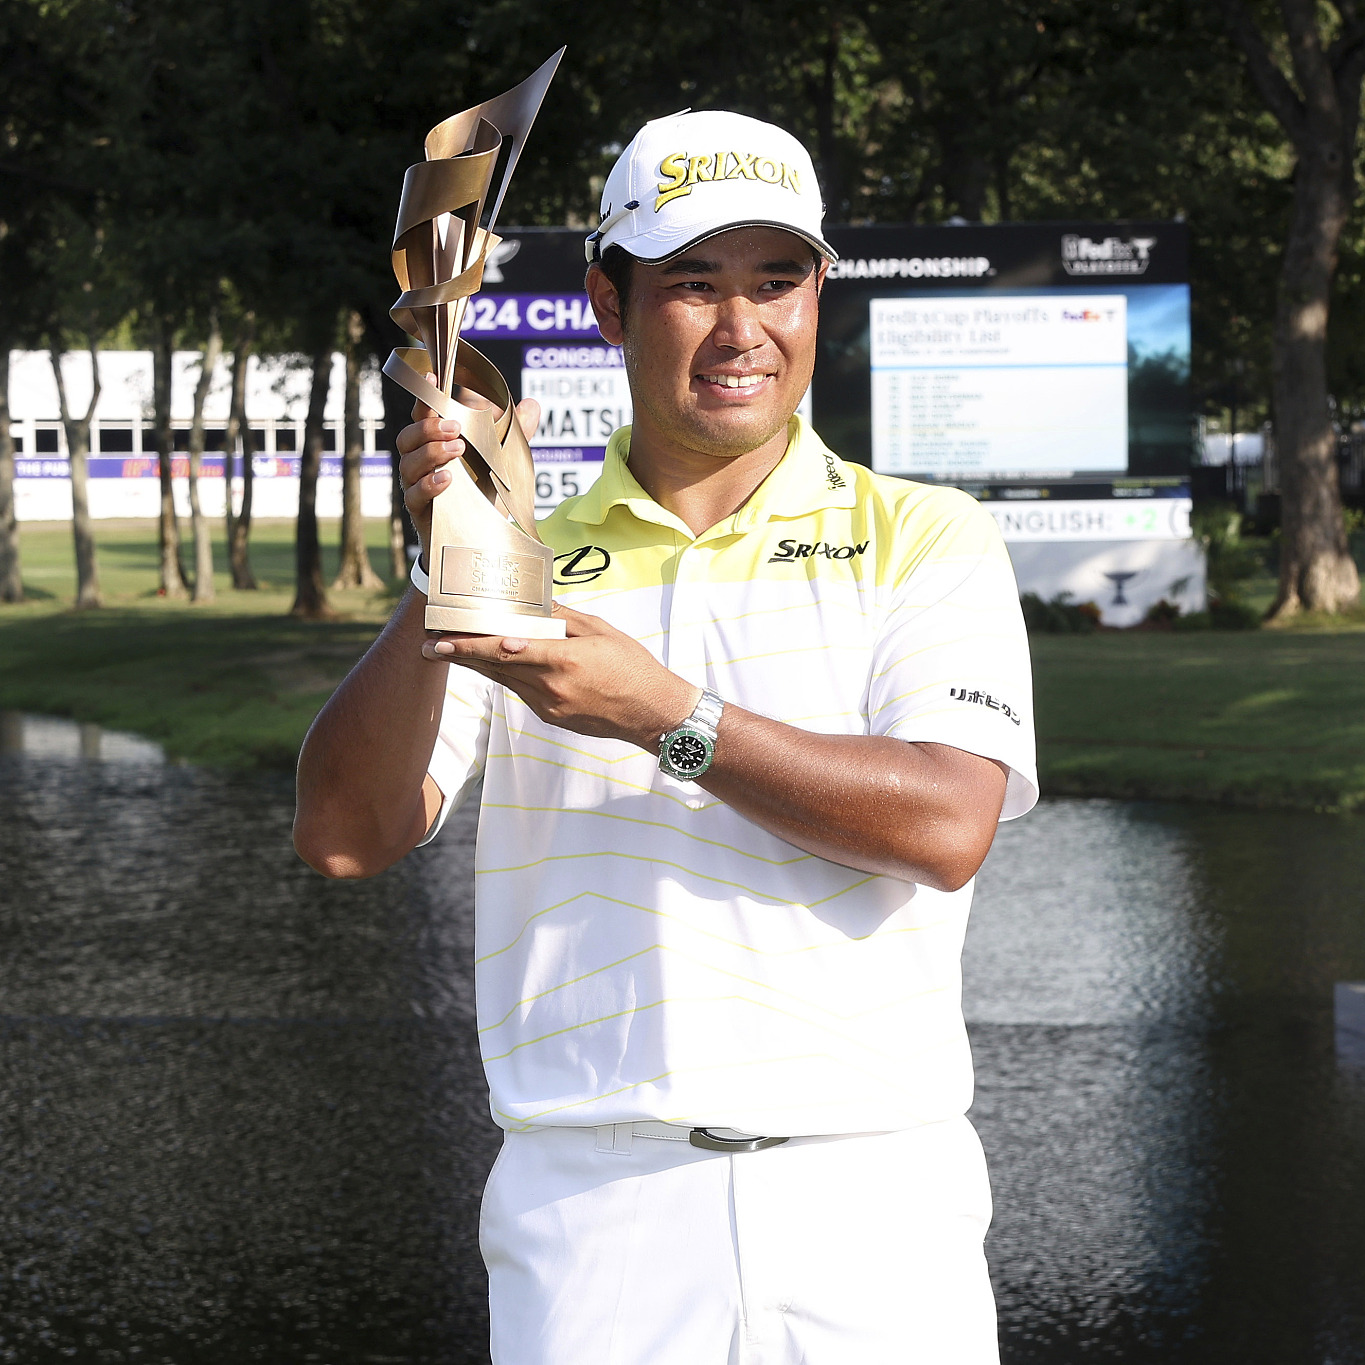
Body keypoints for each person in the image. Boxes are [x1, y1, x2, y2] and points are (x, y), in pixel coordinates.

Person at [293, 109, 1036, 1365]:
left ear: (816, 297)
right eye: (693, 284)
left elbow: (945, 824)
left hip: (872, 1197)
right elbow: (346, 838)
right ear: (606, 301)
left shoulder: (926, 531)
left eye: (775, 281)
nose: (741, 328)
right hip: (596, 1212)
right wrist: (455, 559)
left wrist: (664, 715)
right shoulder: (525, 563)